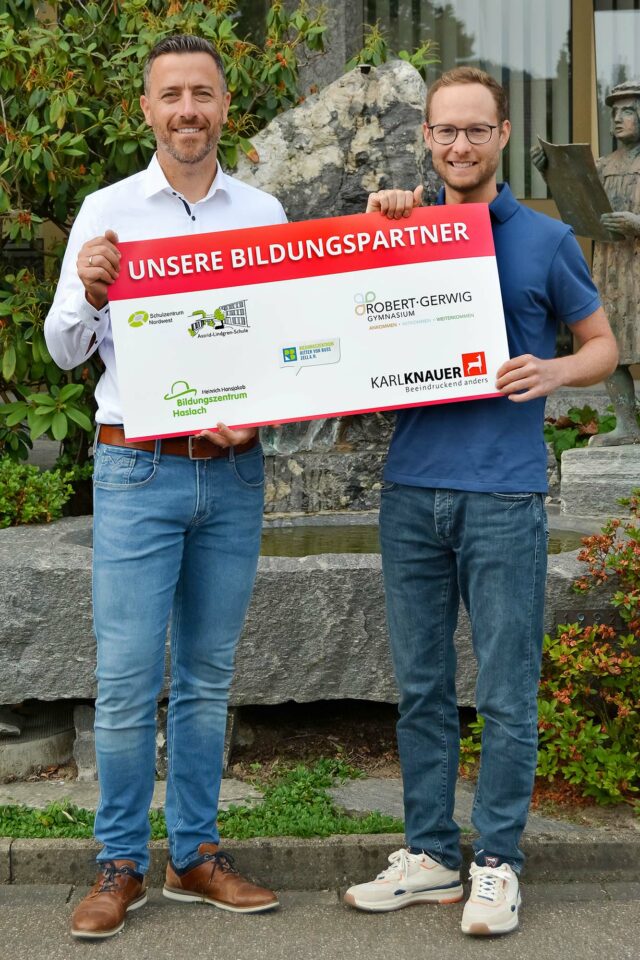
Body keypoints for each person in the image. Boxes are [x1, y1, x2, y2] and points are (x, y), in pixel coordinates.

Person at [343, 67, 618, 936]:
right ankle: (430, 856)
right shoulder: (403, 229)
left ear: (501, 135)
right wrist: (376, 225)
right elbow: (340, 312)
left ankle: (497, 863)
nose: (459, 145)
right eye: (445, 131)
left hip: (503, 493)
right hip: (411, 491)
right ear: (426, 138)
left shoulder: (546, 238)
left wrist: (556, 370)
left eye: (475, 130)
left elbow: (603, 345)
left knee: (505, 692)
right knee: (421, 690)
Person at [45, 34, 286, 940]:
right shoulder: (106, 211)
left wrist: (261, 412)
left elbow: (285, 345)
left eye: (203, 94)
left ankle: (194, 854)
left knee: (207, 678)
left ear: (225, 106)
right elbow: (63, 349)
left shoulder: (263, 213)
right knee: (125, 679)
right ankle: (120, 864)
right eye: (172, 95)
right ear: (146, 109)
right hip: (136, 467)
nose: (188, 109)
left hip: (234, 473)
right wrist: (88, 291)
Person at [532, 79, 640, 444]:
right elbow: (577, 201)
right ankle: (627, 426)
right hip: (611, 268)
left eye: (628, 111)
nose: (618, 118)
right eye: (614, 112)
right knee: (612, 344)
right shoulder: (602, 166)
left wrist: (636, 223)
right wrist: (549, 170)